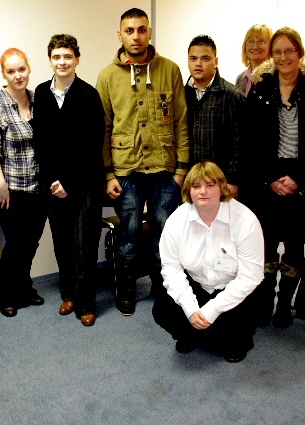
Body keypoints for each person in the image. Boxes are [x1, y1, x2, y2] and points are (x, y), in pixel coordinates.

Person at [96, 8, 189, 316]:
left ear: (149, 32)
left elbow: (181, 121)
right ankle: (126, 289)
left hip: (165, 171)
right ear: (120, 35)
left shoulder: (170, 69)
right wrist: (108, 173)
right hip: (127, 171)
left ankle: (165, 292)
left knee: (166, 235)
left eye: (141, 29)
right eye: (129, 30)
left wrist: (181, 170)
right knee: (129, 236)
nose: (136, 36)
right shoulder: (108, 76)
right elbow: (103, 128)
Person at [246, 27, 305, 329]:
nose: (283, 57)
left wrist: (299, 179)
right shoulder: (261, 89)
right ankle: (264, 302)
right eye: (277, 52)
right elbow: (252, 142)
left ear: (300, 53)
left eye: (289, 51)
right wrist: (270, 178)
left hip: (302, 179)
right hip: (268, 181)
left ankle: (284, 306)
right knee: (264, 247)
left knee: (294, 248)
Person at [152, 162, 263, 362]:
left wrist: (212, 310)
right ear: (188, 191)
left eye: (210, 185)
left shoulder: (245, 220)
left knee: (242, 324)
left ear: (222, 188)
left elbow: (250, 276)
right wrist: (191, 308)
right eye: (196, 186)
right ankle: (189, 333)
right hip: (197, 283)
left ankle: (237, 340)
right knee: (163, 308)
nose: (203, 191)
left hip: (232, 287)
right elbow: (171, 270)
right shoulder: (176, 221)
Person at [32, 34, 105, 326]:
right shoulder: (41, 92)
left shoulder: (88, 94)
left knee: (84, 244)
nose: (62, 62)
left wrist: (69, 184)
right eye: (56, 57)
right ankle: (69, 294)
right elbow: (41, 141)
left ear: (77, 59)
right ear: (50, 59)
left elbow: (92, 145)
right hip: (53, 184)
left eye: (67, 56)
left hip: (85, 183)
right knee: (61, 242)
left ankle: (86, 302)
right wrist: (53, 181)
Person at [0, 49, 46, 318]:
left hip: (38, 187)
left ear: (29, 69)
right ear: (3, 74)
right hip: (8, 188)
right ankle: (5, 295)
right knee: (16, 241)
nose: (18, 75)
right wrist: (0, 185)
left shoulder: (39, 100)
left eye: (22, 69)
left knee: (31, 242)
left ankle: (25, 286)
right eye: (11, 71)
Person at [185, 34, 245, 199]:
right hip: (192, 181)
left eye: (205, 58)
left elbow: (240, 141)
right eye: (193, 58)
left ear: (216, 62)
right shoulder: (183, 94)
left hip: (222, 182)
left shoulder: (232, 95)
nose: (198, 64)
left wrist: (233, 179)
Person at [235, 24, 273, 95]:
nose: (255, 46)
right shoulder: (240, 79)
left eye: (261, 41)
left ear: (272, 46)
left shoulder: (276, 76)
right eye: (251, 41)